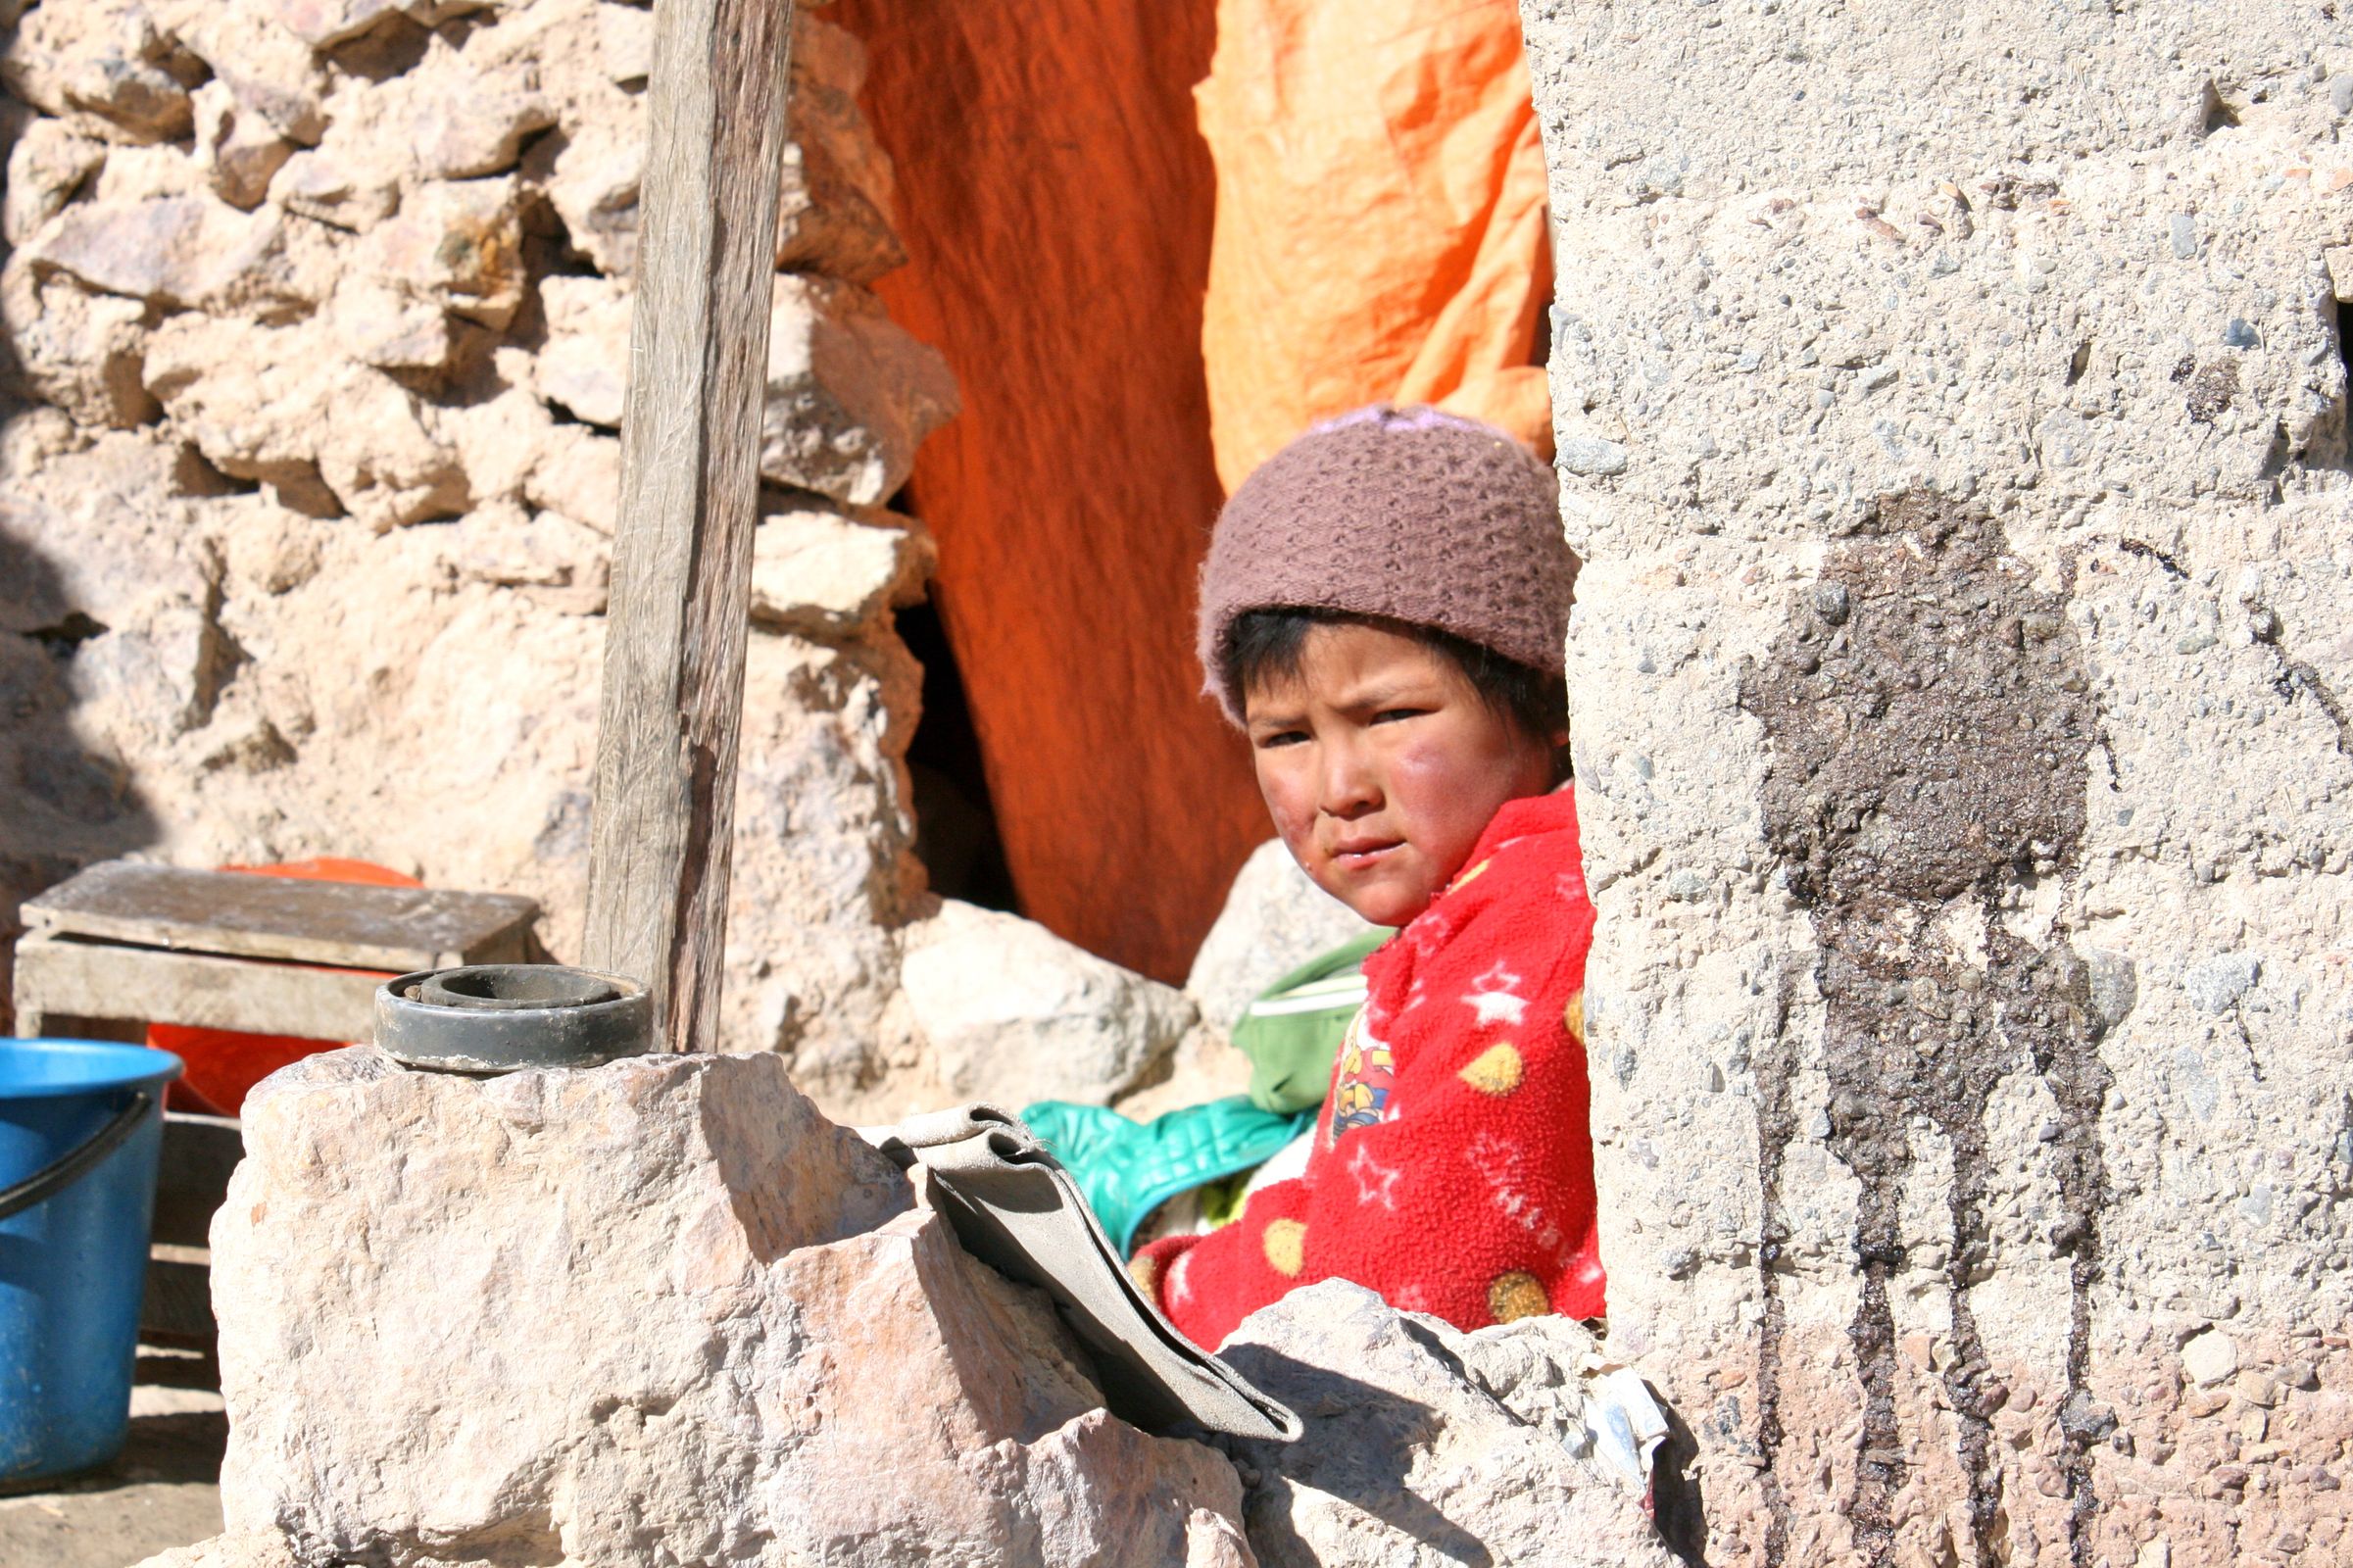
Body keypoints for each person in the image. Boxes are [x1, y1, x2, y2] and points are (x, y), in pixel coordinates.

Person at [1129, 403, 1600, 1351]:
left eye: (1388, 715)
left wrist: (1168, 1296)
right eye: (1287, 737)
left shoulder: (1537, 928)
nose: (1340, 787)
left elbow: (1394, 1274)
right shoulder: (1476, 908)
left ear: (1546, 699)